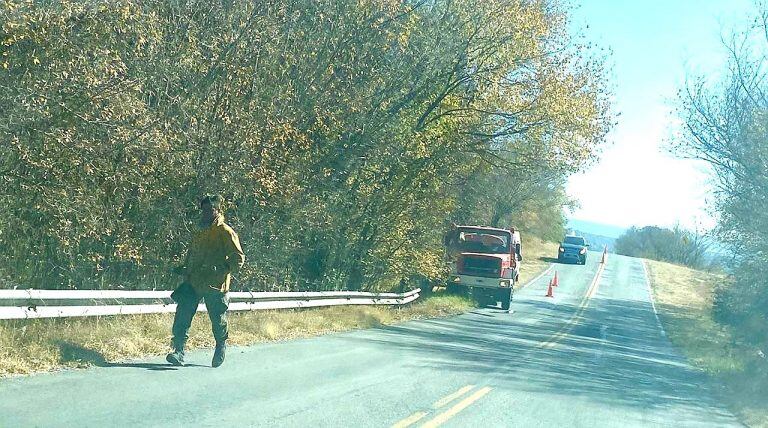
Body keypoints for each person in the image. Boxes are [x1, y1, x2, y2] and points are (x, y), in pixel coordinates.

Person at [167, 194, 245, 368]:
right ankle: (178, 351)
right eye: (204, 210)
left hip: (215, 284)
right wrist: (184, 267)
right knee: (182, 317)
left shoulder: (225, 231)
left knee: (218, 320)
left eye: (210, 210)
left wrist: (222, 270)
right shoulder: (199, 231)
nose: (206, 213)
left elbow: (238, 258)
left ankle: (220, 345)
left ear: (218, 210)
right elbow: (192, 253)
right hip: (193, 281)